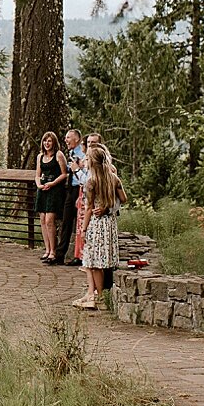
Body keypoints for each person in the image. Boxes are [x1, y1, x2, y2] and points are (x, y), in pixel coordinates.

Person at [74, 144, 128, 309]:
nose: (86, 160)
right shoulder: (114, 178)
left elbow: (89, 208)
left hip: (97, 224)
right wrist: (109, 207)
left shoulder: (91, 182)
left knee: (95, 261)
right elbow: (123, 199)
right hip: (110, 223)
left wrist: (83, 229)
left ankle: (99, 296)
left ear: (93, 162)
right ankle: (94, 293)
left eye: (88, 158)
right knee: (101, 259)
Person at [34, 131, 68, 263]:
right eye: (45, 141)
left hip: (54, 190)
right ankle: (47, 249)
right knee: (42, 219)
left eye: (49, 141)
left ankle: (54, 251)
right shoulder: (40, 156)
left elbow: (64, 173)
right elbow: (37, 174)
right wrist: (39, 185)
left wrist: (52, 183)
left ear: (54, 142)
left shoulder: (59, 155)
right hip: (43, 189)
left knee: (50, 220)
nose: (47, 143)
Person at [72, 132, 103, 263]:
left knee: (88, 226)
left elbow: (90, 182)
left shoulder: (99, 161)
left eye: (93, 143)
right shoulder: (86, 158)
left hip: (94, 199)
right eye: (88, 142)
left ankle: (90, 258)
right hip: (84, 194)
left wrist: (77, 171)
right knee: (81, 225)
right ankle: (81, 256)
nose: (90, 145)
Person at [55, 129, 84, 265]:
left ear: (76, 139)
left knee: (80, 223)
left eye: (68, 138)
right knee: (66, 221)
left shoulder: (82, 153)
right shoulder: (71, 152)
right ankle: (59, 254)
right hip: (70, 189)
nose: (66, 140)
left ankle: (80, 256)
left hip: (80, 189)